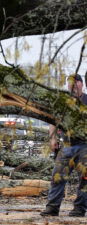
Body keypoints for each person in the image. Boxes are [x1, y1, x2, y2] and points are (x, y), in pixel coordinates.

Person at [41, 74, 87, 217]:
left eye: (75, 83)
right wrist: (52, 138)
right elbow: (53, 120)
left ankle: (79, 209)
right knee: (58, 176)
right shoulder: (63, 103)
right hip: (67, 145)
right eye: (69, 84)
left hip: (85, 146)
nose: (72, 86)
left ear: (81, 84)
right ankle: (52, 208)